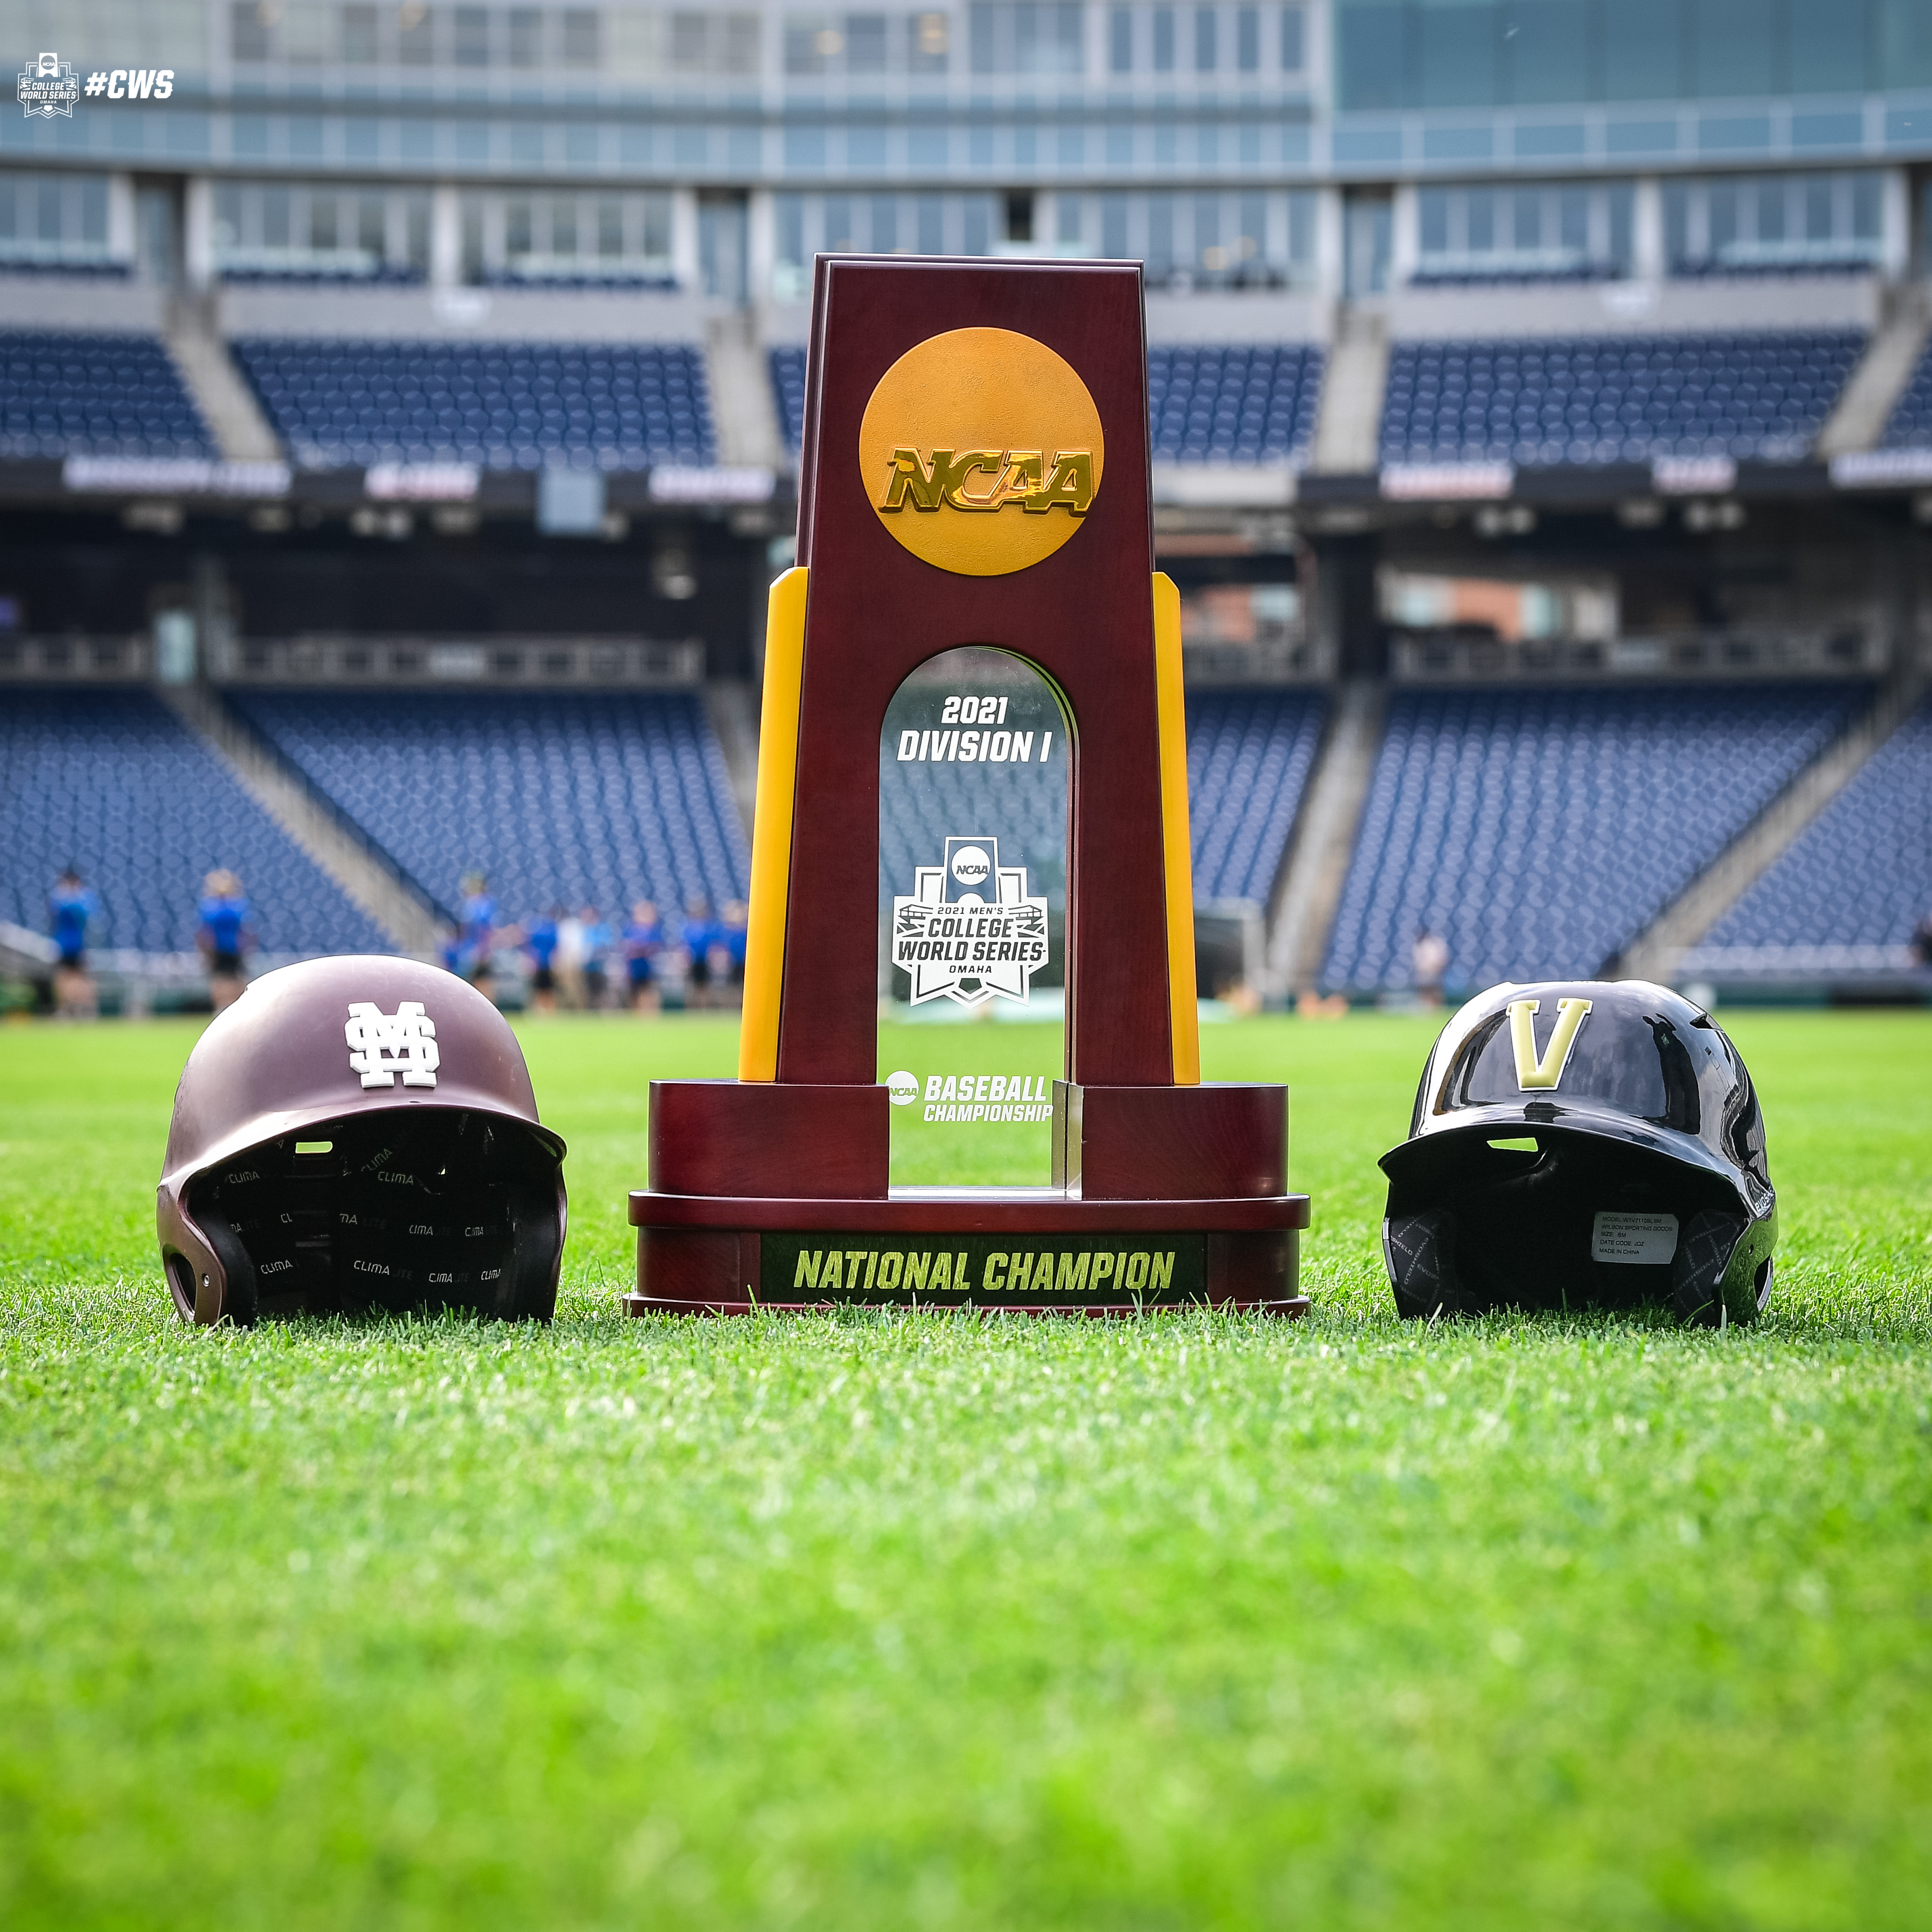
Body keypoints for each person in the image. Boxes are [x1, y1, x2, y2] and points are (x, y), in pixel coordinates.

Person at [196, 869, 252, 1014]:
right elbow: (206, 932)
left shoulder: (235, 905)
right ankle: (223, 1008)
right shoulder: (212, 906)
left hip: (233, 949)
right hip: (219, 950)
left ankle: (234, 1007)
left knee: (234, 979)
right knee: (221, 980)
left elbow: (244, 929)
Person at [47, 865, 99, 1019]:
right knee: (63, 977)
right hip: (63, 944)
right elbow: (55, 912)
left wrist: (75, 896)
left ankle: (86, 1010)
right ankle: (65, 1010)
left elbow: (87, 915)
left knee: (82, 978)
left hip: (80, 944)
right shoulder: (59, 897)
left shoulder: (84, 898)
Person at [458, 872, 497, 997]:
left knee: (481, 981)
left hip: (478, 950)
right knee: (477, 981)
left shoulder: (482, 904)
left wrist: (482, 949)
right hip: (471, 948)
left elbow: (484, 929)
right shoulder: (473, 903)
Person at [622, 899, 662, 1013]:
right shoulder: (631, 929)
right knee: (634, 990)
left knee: (647, 989)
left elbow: (653, 947)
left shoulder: (652, 929)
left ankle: (648, 1012)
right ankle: (636, 1012)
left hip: (646, 963)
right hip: (634, 964)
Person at [681, 895, 717, 1009]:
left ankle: (703, 1008)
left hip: (704, 960)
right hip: (692, 961)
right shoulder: (688, 927)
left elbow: (712, 944)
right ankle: (692, 1008)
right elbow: (685, 945)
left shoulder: (707, 927)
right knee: (691, 986)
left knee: (704, 986)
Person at [525, 905, 562, 1014]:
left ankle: (548, 1011)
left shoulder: (547, 929)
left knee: (546, 988)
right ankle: (541, 1011)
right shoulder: (547, 929)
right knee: (540, 988)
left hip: (545, 963)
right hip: (541, 963)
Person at [580, 904, 612, 1010]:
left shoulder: (602, 928)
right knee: (587, 991)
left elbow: (605, 945)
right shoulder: (584, 930)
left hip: (599, 965)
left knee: (602, 991)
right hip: (587, 966)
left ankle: (607, 1012)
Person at [719, 898, 749, 1004]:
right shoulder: (728, 930)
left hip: (745, 961)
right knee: (732, 985)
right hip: (733, 962)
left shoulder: (747, 930)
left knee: (744, 985)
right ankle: (732, 1005)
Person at [1412, 926, 1449, 1009]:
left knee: (1435, 991)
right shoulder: (1419, 944)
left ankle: (1437, 1009)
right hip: (1424, 972)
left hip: (1434, 971)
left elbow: (1440, 959)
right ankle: (1426, 1008)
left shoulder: (1434, 943)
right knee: (1425, 991)